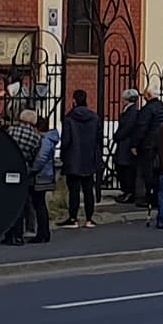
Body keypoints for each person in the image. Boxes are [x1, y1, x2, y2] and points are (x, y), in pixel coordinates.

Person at [2, 108, 44, 245]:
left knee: (8, 202)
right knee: (20, 203)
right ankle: (18, 235)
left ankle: (8, 234)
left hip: (8, 166)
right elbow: (35, 156)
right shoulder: (36, 137)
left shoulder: (12, 130)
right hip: (23, 169)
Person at [61, 88, 101, 229]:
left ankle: (73, 218)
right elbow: (98, 139)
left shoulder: (69, 118)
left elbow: (66, 140)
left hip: (73, 158)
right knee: (89, 190)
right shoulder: (95, 118)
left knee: (74, 191)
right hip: (89, 157)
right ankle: (89, 219)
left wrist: (63, 155)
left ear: (74, 101)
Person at [135, 88, 163, 213]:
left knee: (147, 172)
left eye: (144, 94)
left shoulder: (147, 109)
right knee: (159, 171)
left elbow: (142, 128)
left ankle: (149, 198)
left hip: (148, 144)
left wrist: (135, 144)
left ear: (148, 96)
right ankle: (158, 196)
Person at [27, 110, 59, 244]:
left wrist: (32, 170)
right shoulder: (50, 139)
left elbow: (41, 158)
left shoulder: (45, 140)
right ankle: (44, 232)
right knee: (40, 204)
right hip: (45, 175)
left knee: (39, 204)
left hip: (41, 176)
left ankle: (42, 233)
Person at [113, 88, 143, 203]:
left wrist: (117, 136)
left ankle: (129, 192)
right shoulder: (130, 110)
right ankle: (126, 191)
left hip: (127, 144)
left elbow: (127, 128)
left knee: (126, 169)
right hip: (124, 143)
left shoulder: (132, 112)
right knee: (122, 167)